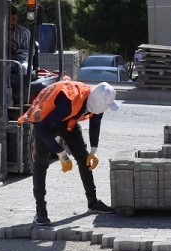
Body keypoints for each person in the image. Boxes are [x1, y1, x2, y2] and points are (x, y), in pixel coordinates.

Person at [18, 79, 119, 225]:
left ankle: (93, 202)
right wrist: (61, 153)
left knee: (83, 159)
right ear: (97, 102)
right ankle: (41, 213)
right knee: (41, 163)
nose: (105, 109)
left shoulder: (97, 102)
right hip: (45, 122)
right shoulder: (69, 101)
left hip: (68, 123)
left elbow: (95, 123)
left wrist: (94, 151)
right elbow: (42, 130)